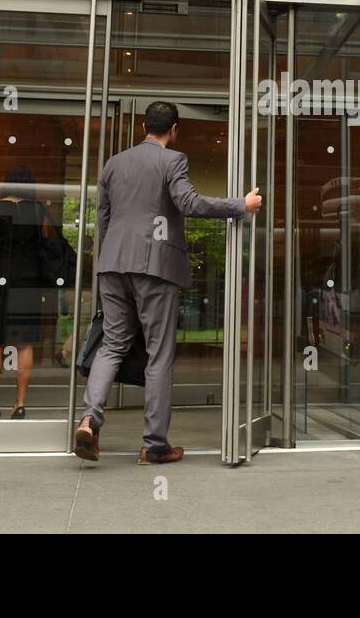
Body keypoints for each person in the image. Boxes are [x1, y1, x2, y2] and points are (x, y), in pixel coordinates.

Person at [75, 101, 260, 464]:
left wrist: (107, 258)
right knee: (158, 355)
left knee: (112, 345)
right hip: (155, 266)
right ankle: (154, 446)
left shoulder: (113, 164)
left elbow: (104, 219)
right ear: (174, 130)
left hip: (112, 264)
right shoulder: (172, 161)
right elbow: (188, 203)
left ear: (144, 126)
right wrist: (241, 204)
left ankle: (89, 419)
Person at [0, 164, 56, 420]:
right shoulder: (38, 210)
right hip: (28, 281)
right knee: (24, 343)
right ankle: (19, 405)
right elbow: (45, 245)